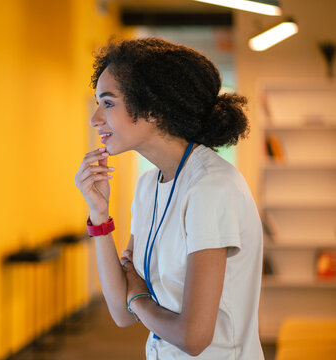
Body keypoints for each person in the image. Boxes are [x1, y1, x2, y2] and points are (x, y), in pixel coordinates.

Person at [74, 38, 264, 359]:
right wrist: (98, 215)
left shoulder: (210, 187)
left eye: (107, 103)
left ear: (152, 109)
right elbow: (121, 313)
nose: (95, 119)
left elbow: (192, 338)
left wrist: (138, 297)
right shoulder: (149, 186)